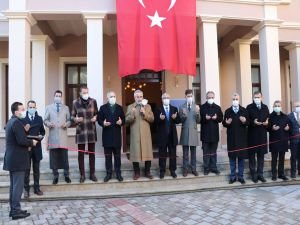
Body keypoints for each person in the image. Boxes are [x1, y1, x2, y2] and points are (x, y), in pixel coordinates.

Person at [3, 102, 38, 220]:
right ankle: (16, 211)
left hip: (12, 159)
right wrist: (32, 142)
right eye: (22, 109)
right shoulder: (16, 123)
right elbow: (21, 141)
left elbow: (18, 138)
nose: (24, 111)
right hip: (17, 159)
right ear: (16, 111)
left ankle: (14, 209)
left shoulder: (11, 122)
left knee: (14, 186)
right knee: (17, 186)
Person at [125, 89, 154, 180]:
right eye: (137, 97)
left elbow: (152, 119)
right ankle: (136, 173)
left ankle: (147, 171)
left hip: (146, 134)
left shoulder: (148, 106)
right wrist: (132, 115)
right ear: (134, 97)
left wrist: (145, 114)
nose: (139, 98)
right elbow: (126, 121)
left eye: (141, 96)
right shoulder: (130, 107)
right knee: (135, 152)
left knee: (147, 152)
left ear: (143, 97)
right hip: (135, 134)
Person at [44, 90, 72, 185]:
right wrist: (49, 124)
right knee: (54, 157)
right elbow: (45, 120)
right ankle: (55, 175)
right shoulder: (48, 107)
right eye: (56, 95)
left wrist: (67, 124)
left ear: (61, 97)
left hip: (63, 135)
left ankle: (66, 175)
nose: (58, 97)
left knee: (64, 157)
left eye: (59, 96)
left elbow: (69, 120)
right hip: (53, 135)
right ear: (54, 96)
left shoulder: (66, 108)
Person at [72, 86, 98, 183]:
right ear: (80, 93)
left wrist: (95, 117)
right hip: (81, 131)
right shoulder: (75, 102)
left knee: (92, 154)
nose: (86, 94)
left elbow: (97, 113)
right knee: (81, 154)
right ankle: (82, 175)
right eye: (84, 92)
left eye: (87, 92)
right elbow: (72, 116)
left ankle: (92, 174)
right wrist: (76, 119)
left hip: (91, 130)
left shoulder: (93, 101)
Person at [98, 91, 125, 182]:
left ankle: (118, 174)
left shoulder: (119, 108)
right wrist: (103, 123)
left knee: (118, 157)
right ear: (107, 98)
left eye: (114, 96)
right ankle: (108, 174)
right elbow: (99, 119)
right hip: (107, 137)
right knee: (108, 157)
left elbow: (124, 119)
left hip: (117, 136)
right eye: (111, 96)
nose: (113, 98)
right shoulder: (102, 108)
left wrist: (121, 122)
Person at [222, 93, 249, 184]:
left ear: (239, 100)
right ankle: (233, 176)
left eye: (236, 99)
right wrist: (227, 123)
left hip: (242, 139)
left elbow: (248, 122)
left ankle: (241, 176)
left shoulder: (244, 110)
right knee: (232, 158)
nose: (235, 101)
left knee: (241, 158)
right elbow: (224, 123)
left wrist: (245, 121)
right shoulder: (228, 111)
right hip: (231, 138)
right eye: (233, 99)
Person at [154, 93, 180, 179]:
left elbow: (178, 120)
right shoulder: (158, 109)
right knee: (162, 154)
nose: (166, 99)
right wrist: (160, 119)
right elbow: (155, 122)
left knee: (173, 154)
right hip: (162, 136)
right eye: (164, 98)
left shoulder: (174, 108)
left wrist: (175, 118)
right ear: (162, 99)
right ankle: (162, 171)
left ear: (170, 99)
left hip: (172, 136)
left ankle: (173, 171)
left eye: (167, 98)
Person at [22, 100, 45, 198]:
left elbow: (43, 132)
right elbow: (21, 134)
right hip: (27, 148)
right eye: (30, 107)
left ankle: (37, 188)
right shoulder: (23, 119)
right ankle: (26, 190)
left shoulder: (39, 118)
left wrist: (41, 136)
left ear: (36, 108)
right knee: (26, 170)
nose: (32, 109)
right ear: (27, 108)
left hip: (37, 147)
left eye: (33, 107)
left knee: (36, 170)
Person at [246, 91, 269, 183]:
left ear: (261, 98)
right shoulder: (249, 107)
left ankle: (260, 174)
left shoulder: (265, 107)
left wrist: (267, 123)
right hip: (252, 135)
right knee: (252, 156)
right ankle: (253, 174)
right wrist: (253, 122)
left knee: (261, 156)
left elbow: (268, 119)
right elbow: (247, 121)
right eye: (255, 97)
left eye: (258, 97)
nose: (257, 99)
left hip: (262, 135)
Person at [200, 91, 223, 175]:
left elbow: (221, 118)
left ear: (214, 97)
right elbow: (199, 120)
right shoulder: (202, 107)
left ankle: (213, 167)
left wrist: (216, 118)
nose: (210, 99)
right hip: (205, 134)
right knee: (205, 152)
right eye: (209, 97)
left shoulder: (217, 107)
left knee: (213, 152)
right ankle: (206, 168)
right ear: (206, 98)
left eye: (212, 97)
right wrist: (205, 118)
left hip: (214, 134)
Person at [179, 89, 201, 177]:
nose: (189, 98)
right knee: (185, 153)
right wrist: (184, 115)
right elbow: (180, 120)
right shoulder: (181, 107)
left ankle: (194, 169)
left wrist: (198, 112)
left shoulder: (196, 106)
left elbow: (199, 120)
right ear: (185, 97)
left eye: (191, 96)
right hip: (185, 131)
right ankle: (185, 170)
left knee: (193, 153)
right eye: (188, 96)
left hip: (193, 131)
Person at [268, 100, 290, 181]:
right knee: (274, 159)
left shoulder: (285, 116)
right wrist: (272, 128)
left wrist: (288, 128)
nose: (277, 107)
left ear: (281, 107)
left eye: (278, 105)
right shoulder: (270, 116)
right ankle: (274, 174)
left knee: (282, 158)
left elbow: (289, 126)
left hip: (283, 140)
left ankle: (281, 174)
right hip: (274, 141)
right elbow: (267, 128)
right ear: (273, 107)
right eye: (275, 106)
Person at [288, 101, 300, 179]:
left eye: (298, 106)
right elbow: (288, 129)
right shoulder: (289, 116)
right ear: (293, 107)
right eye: (296, 106)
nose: (297, 108)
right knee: (293, 156)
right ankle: (293, 173)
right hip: (294, 139)